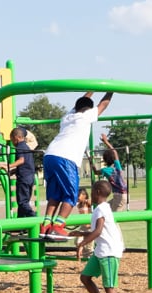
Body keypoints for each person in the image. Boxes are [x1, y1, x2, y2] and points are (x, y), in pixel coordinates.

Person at [41, 91, 113, 236]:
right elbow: (103, 104)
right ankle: (59, 225)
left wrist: (91, 89)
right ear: (88, 109)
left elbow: (82, 101)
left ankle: (46, 224)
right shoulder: (86, 116)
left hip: (49, 155)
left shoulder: (67, 117)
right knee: (71, 194)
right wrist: (111, 90)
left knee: (55, 193)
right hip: (66, 158)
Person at [69, 180, 126, 293]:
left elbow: (98, 231)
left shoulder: (101, 209)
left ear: (98, 193)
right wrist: (81, 233)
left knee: (109, 286)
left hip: (109, 251)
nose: (90, 195)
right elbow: (99, 232)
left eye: (93, 191)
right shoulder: (100, 208)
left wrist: (81, 243)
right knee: (85, 277)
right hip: (101, 250)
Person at [91, 133, 127, 212]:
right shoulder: (117, 167)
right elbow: (114, 152)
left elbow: (96, 172)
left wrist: (91, 163)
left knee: (114, 218)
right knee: (104, 210)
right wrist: (106, 142)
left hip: (120, 196)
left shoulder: (105, 170)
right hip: (121, 195)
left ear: (105, 160)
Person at [7, 127, 36, 218]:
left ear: (16, 138)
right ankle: (20, 225)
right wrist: (14, 171)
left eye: (12, 140)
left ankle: (35, 219)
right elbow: (27, 164)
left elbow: (21, 160)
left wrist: (8, 166)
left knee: (22, 202)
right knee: (23, 202)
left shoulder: (19, 146)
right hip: (30, 178)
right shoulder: (27, 147)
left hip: (23, 179)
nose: (12, 142)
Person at [76, 187, 93, 257]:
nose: (77, 198)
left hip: (89, 227)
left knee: (89, 246)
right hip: (83, 227)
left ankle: (90, 257)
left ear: (84, 195)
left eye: (78, 196)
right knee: (78, 241)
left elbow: (93, 204)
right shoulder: (79, 205)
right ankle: (84, 254)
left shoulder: (88, 202)